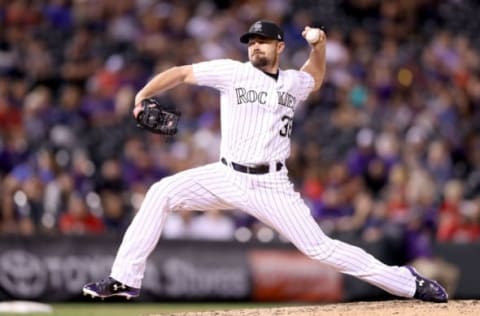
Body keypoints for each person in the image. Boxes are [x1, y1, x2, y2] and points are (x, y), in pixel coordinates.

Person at [82, 20, 447, 303]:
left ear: (279, 46)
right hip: (226, 174)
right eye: (251, 42)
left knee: (320, 248)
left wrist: (318, 46)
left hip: (272, 185)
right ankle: (125, 279)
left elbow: (315, 77)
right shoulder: (232, 72)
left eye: (261, 41)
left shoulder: (291, 83)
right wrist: (143, 94)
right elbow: (181, 73)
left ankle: (406, 283)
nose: (254, 46)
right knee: (160, 192)